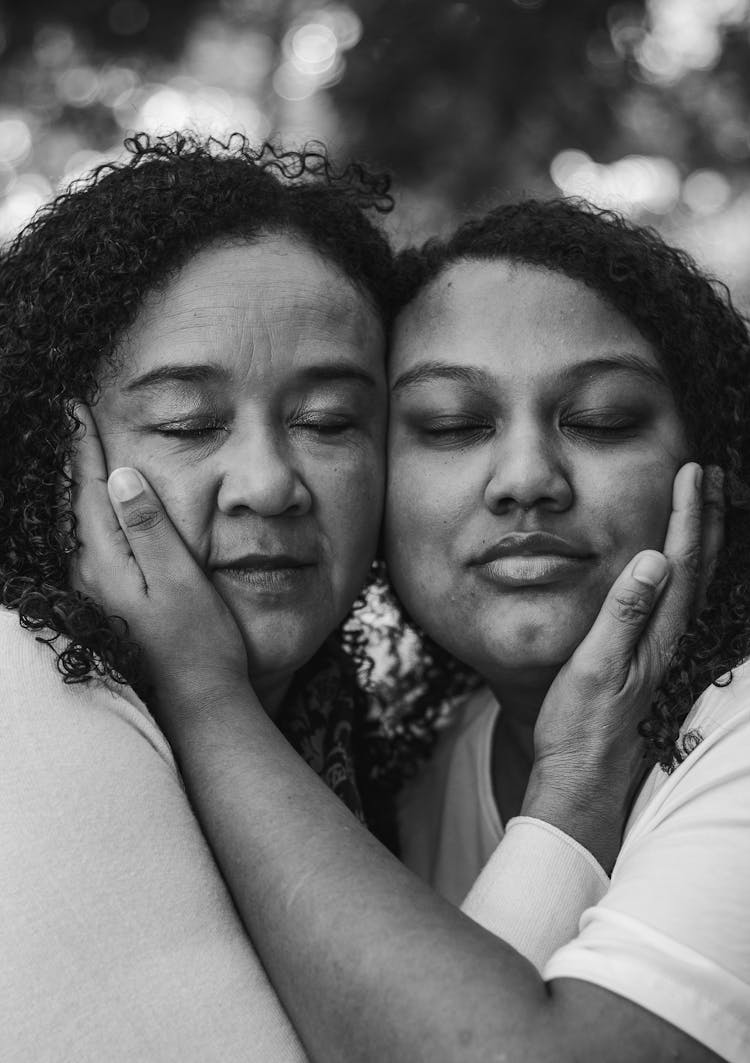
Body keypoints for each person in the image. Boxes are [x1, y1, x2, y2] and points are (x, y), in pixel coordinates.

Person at [71, 197, 748, 1062]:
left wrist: (207, 699)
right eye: (453, 425)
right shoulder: (415, 778)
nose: (527, 478)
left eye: (604, 418)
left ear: (717, 466)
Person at [0, 132, 400, 1061]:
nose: (267, 482)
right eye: (189, 421)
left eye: (329, 421)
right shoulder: (27, 689)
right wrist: (569, 806)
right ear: (57, 459)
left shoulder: (335, 734)